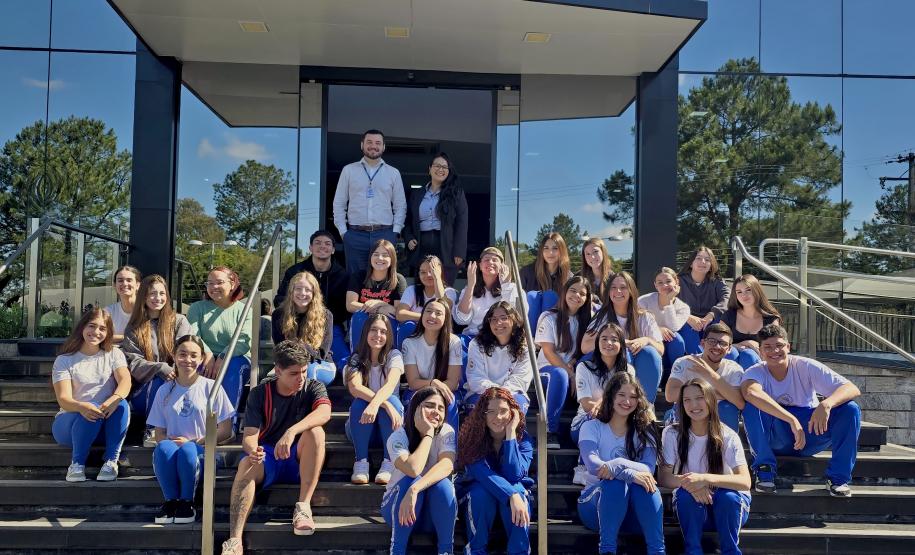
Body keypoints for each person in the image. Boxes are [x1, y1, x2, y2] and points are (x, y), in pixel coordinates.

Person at [221, 341, 331, 555]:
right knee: (246, 464)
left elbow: (325, 413)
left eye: (304, 371)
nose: (301, 378)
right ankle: (234, 540)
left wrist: (291, 431)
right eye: (294, 373)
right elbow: (249, 436)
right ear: (278, 371)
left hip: (300, 456)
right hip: (269, 455)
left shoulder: (313, 386)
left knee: (317, 432)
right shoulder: (260, 393)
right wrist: (253, 451)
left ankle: (303, 507)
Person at [740, 324, 861, 497]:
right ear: (760, 352)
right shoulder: (756, 371)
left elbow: (851, 388)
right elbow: (750, 393)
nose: (774, 351)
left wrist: (826, 404)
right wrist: (791, 419)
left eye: (779, 345)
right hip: (777, 436)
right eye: (768, 347)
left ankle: (838, 479)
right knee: (752, 406)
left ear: (788, 347)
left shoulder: (805, 366)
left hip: (810, 431)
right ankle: (764, 471)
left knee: (850, 409)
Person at [659, 379, 752, 555]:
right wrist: (693, 485)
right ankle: (693, 551)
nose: (693, 405)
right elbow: (664, 477)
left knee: (727, 497)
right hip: (694, 508)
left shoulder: (728, 435)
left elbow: (745, 481)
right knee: (685, 495)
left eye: (699, 398)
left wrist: (704, 479)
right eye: (687, 400)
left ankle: (731, 551)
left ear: (711, 400)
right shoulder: (671, 433)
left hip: (728, 509)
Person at [149, 335, 235, 525]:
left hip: (202, 453)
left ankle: (187, 502)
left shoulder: (212, 388)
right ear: (174, 356)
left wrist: (194, 442)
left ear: (202, 358)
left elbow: (226, 430)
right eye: (182, 354)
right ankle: (171, 502)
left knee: (188, 450)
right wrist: (173, 445)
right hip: (173, 452)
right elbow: (159, 433)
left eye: (194, 355)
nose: (188, 359)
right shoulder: (164, 390)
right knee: (163, 448)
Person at [577, 372, 665, 555]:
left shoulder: (645, 430)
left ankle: (657, 551)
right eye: (621, 395)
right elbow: (594, 466)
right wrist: (629, 473)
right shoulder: (591, 427)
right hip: (595, 507)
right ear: (611, 396)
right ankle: (607, 550)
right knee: (615, 485)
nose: (627, 401)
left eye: (633, 397)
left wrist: (617, 464)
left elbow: (648, 468)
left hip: (633, 513)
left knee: (647, 485)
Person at [51, 308, 131, 482]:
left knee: (121, 403)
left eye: (102, 328)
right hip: (70, 423)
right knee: (91, 409)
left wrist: (114, 399)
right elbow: (64, 400)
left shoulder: (114, 354)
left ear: (108, 333)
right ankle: (77, 464)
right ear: (82, 327)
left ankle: (111, 461)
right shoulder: (64, 360)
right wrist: (82, 406)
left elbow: (125, 381)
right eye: (92, 326)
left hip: (104, 424)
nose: (96, 332)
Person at [122, 275, 201, 447]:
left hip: (178, 383)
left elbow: (187, 351)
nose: (157, 298)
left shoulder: (179, 321)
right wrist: (160, 368)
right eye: (152, 293)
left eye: (162, 293)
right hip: (144, 390)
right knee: (159, 380)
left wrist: (174, 372)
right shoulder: (134, 327)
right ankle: (152, 430)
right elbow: (134, 363)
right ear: (143, 296)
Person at [381, 386, 457, 555]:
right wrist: (428, 434)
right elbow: (413, 469)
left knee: (443, 485)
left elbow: (447, 465)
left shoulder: (446, 432)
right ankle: (397, 550)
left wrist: (415, 489)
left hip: (432, 513)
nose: (436, 412)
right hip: (398, 509)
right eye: (429, 406)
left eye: (441, 408)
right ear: (415, 409)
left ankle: (446, 551)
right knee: (409, 480)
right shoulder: (398, 436)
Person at [457, 386, 534, 555]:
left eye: (503, 411)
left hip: (513, 501)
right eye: (490, 411)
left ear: (512, 413)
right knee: (481, 493)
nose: (497, 417)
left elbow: (514, 474)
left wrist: (511, 434)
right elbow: (483, 475)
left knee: (519, 492)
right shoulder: (471, 438)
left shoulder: (524, 440)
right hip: (478, 498)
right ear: (482, 414)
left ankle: (519, 552)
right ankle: (476, 551)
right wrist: (511, 495)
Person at [332, 129, 406, 276]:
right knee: (355, 279)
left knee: (384, 279)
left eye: (378, 143)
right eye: (369, 142)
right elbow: (339, 203)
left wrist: (395, 232)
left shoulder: (393, 173)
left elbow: (400, 205)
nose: (373, 146)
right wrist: (344, 232)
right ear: (362, 145)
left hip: (385, 235)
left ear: (383, 147)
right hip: (355, 235)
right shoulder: (349, 170)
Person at [583, 271, 665, 402]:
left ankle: (646, 405)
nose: (618, 291)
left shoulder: (645, 317)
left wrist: (646, 340)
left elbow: (660, 349)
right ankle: (617, 404)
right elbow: (585, 346)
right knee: (624, 352)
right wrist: (619, 342)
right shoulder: (601, 316)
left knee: (650, 352)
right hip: (610, 366)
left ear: (631, 290)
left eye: (623, 287)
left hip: (641, 363)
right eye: (613, 287)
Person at [274, 230, 351, 367]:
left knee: (344, 362)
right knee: (293, 359)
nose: (322, 246)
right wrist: (301, 312)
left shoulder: (342, 275)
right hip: (296, 324)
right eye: (318, 243)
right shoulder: (295, 272)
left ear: (333, 250)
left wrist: (320, 316)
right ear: (310, 247)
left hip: (327, 325)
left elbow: (344, 307)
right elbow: (280, 299)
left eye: (327, 244)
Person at [570, 322, 634, 486]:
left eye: (614, 339)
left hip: (617, 422)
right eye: (604, 338)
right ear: (597, 342)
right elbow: (586, 404)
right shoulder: (584, 367)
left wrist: (603, 402)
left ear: (621, 344)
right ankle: (582, 466)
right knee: (594, 417)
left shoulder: (628, 371)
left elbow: (629, 402)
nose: (608, 343)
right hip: (585, 421)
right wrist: (607, 405)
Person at [345, 314, 405, 485]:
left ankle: (389, 463)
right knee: (360, 403)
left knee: (393, 401)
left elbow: (390, 385)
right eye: (374, 330)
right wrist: (382, 404)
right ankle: (361, 463)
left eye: (383, 332)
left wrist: (380, 404)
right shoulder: (356, 358)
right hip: (362, 428)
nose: (378, 335)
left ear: (388, 336)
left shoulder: (394, 355)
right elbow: (355, 388)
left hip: (390, 426)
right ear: (366, 332)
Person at [534, 275, 592, 449]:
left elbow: (579, 351)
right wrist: (571, 374)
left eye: (582, 293)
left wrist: (573, 365)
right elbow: (549, 352)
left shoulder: (586, 321)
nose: (577, 296)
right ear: (565, 292)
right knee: (559, 374)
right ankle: (549, 431)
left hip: (569, 373)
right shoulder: (549, 317)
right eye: (573, 290)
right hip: (547, 371)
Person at [186, 266, 252, 411]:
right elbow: (193, 336)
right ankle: (193, 418)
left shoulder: (245, 310)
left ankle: (227, 421)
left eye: (219, 282)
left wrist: (223, 356)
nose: (214, 287)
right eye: (210, 283)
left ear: (232, 284)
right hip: (205, 357)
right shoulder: (197, 308)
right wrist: (208, 355)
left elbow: (243, 341)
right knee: (193, 367)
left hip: (236, 357)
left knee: (231, 368)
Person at [664, 323, 746, 432]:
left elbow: (739, 402)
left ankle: (723, 443)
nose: (717, 347)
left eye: (723, 343)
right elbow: (670, 395)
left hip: (719, 416)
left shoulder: (734, 369)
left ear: (729, 348)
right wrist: (723, 394)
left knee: (728, 408)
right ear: (703, 343)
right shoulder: (685, 362)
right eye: (712, 341)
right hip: (688, 413)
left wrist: (709, 374)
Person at [403, 152, 469, 285]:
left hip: (446, 247)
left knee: (444, 287)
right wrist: (409, 237)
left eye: (445, 167)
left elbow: (462, 223)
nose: (441, 169)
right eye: (437, 166)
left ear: (449, 171)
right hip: (420, 246)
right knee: (422, 286)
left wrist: (459, 251)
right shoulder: (417, 194)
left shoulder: (456, 193)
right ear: (430, 169)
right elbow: (408, 220)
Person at [401, 298, 463, 431]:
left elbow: (452, 382)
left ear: (446, 318)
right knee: (418, 404)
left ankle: (449, 444)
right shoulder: (409, 343)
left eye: (438, 313)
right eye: (428, 311)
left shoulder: (454, 342)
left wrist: (436, 390)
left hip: (446, 389)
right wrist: (433, 383)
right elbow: (413, 382)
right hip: (419, 389)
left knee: (449, 403)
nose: (432, 316)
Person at [464, 302, 533, 414]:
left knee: (516, 406)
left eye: (504, 318)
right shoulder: (476, 344)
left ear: (514, 320)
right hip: (481, 392)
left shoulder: (525, 347)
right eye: (494, 319)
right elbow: (476, 378)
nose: (498, 323)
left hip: (512, 393)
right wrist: (495, 392)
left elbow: (521, 378)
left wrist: (503, 393)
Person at [271, 271, 336, 385]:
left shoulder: (326, 315)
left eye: (308, 290)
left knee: (306, 372)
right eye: (298, 289)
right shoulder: (279, 314)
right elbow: (280, 348)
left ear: (314, 293)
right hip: (291, 363)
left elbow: (321, 354)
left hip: (321, 364)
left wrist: (299, 345)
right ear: (291, 291)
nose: (302, 293)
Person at [346, 239, 407, 346]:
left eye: (385, 255)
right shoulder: (358, 276)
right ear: (370, 257)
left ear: (392, 259)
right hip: (364, 321)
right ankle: (358, 354)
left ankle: (389, 353)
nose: (380, 258)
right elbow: (350, 305)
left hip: (386, 323)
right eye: (376, 254)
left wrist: (380, 303)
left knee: (391, 318)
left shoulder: (398, 280)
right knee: (359, 315)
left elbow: (397, 311)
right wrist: (379, 309)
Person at [454, 247, 519, 341]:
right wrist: (471, 286)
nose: (490, 262)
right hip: (473, 337)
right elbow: (462, 319)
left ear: (502, 266)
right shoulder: (469, 288)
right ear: (480, 266)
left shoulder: (511, 287)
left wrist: (505, 286)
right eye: (486, 259)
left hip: (499, 338)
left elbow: (513, 317)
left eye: (495, 260)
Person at [721, 274, 781, 369]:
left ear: (757, 290)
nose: (744, 295)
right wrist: (744, 343)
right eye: (739, 292)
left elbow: (776, 348)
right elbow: (718, 343)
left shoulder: (771, 319)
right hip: (731, 364)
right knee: (730, 353)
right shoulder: (729, 316)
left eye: (748, 290)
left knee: (748, 355)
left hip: (760, 364)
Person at [677, 246, 730, 355]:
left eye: (707, 259)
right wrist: (687, 317)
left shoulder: (717, 281)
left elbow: (727, 298)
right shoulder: (678, 281)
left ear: (711, 265)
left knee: (718, 327)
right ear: (691, 263)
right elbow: (668, 301)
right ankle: (698, 360)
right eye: (699, 258)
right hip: (687, 321)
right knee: (687, 329)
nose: (703, 262)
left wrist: (712, 314)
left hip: (709, 321)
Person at [638, 267, 690, 374]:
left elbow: (673, 327)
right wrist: (657, 329)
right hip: (648, 338)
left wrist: (669, 302)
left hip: (669, 342)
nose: (664, 285)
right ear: (655, 285)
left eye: (668, 281)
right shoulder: (643, 301)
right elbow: (637, 324)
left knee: (677, 340)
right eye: (660, 283)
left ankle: (676, 374)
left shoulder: (683, 308)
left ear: (676, 282)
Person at [396, 255, 457, 323]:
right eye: (423, 272)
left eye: (432, 271)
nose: (428, 275)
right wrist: (427, 317)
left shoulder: (449, 292)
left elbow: (444, 310)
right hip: (415, 329)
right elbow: (400, 314)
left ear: (440, 272)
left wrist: (437, 278)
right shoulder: (411, 290)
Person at [104, 265, 142, 342]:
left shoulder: (146, 310)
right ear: (115, 285)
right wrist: (129, 337)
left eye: (129, 280)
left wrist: (115, 337)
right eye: (120, 280)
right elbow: (101, 336)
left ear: (138, 285)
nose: (124, 284)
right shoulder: (108, 312)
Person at [579, 237, 614, 303]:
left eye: (595, 252)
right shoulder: (579, 277)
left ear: (603, 252)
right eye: (588, 254)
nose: (592, 257)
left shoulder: (613, 279)